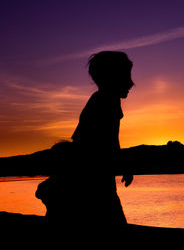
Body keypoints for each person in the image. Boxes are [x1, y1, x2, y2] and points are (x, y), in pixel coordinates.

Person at [36, 51, 134, 233]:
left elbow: (109, 139)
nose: (131, 83)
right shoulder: (105, 101)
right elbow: (104, 140)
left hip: (93, 175)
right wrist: (121, 164)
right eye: (126, 76)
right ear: (111, 78)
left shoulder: (103, 100)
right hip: (93, 177)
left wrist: (121, 164)